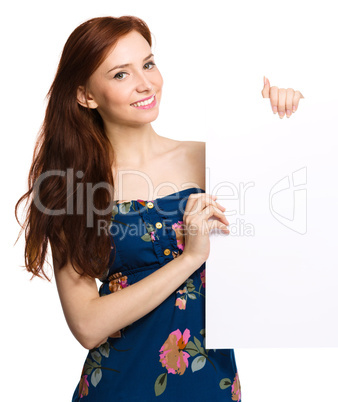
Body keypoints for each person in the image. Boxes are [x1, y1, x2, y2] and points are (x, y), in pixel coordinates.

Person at [15, 16, 303, 401]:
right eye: (121, 74)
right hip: (118, 387)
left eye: (148, 64)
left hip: (208, 384)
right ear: (86, 95)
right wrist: (188, 259)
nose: (145, 83)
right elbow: (86, 324)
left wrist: (289, 122)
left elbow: (298, 234)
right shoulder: (71, 188)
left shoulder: (211, 159)